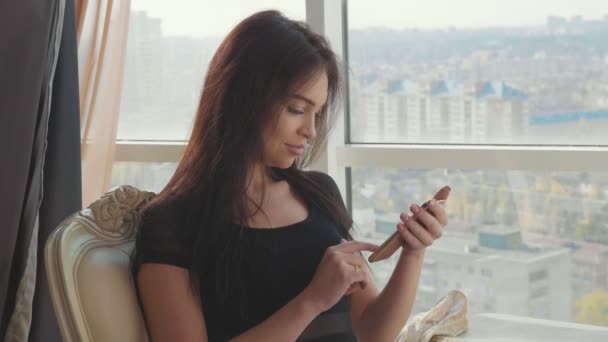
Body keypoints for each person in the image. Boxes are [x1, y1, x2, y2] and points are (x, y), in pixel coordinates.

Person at [132, 10, 448, 342]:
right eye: (297, 109)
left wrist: (413, 251)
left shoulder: (319, 193)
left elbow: (373, 332)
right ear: (243, 97)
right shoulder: (171, 224)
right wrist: (312, 301)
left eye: (318, 113)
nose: (310, 130)